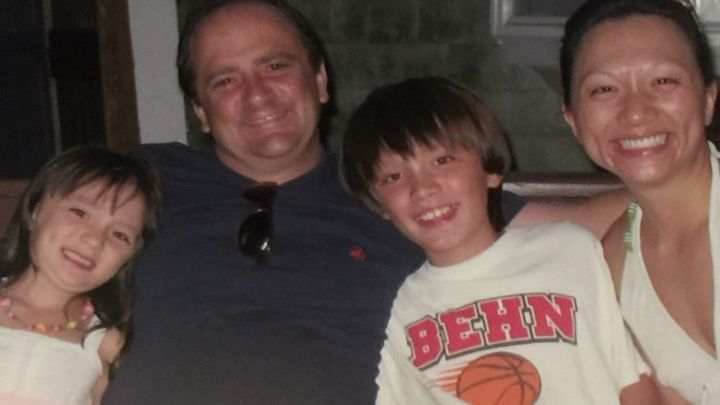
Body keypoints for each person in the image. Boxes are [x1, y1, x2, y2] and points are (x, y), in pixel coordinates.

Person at [102, 0, 630, 403]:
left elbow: (590, 218)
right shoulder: (146, 179)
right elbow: (58, 248)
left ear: (320, 80)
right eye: (224, 80)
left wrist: (669, 178)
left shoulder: (390, 191)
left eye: (275, 66)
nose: (256, 93)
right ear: (200, 110)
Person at [341, 76, 654, 404]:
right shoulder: (401, 307)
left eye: (442, 161)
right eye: (394, 176)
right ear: (380, 204)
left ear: (490, 170)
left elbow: (632, 377)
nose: (423, 189)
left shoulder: (570, 249)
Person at [560, 0, 720, 403]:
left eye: (663, 81)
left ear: (708, 99)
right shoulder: (613, 267)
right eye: (604, 89)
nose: (635, 112)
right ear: (573, 120)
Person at [0, 146, 161, 404]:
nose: (95, 239)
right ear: (35, 209)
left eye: (119, 234)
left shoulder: (107, 348)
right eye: (80, 213)